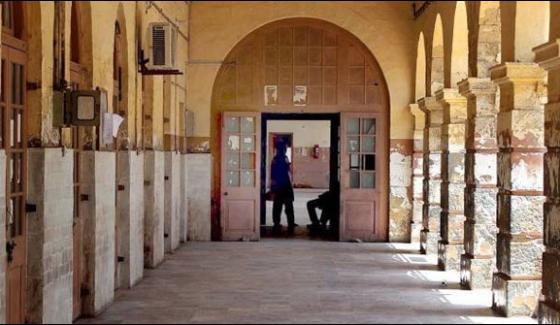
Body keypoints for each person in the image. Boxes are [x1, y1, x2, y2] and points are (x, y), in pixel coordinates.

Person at [270, 140, 296, 235]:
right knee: (287, 206)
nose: (285, 149)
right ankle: (290, 223)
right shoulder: (282, 158)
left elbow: (273, 175)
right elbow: (287, 171)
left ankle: (277, 223)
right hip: (283, 185)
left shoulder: (276, 159)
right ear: (281, 149)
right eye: (284, 148)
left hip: (280, 185)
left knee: (278, 206)